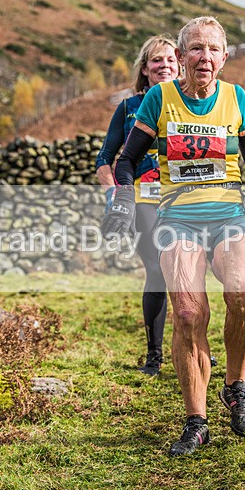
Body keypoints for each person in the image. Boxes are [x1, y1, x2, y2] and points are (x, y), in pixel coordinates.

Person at [102, 16, 245, 456]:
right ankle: (197, 421)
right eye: (194, 49)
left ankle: (236, 387)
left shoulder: (237, 99)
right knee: (189, 314)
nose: (203, 57)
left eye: (212, 49)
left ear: (224, 58)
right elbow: (127, 160)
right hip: (179, 218)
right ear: (182, 55)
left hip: (229, 214)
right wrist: (122, 198)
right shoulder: (159, 98)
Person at [95, 35, 179, 375]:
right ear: (144, 69)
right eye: (157, 61)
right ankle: (154, 356)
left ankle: (191, 345)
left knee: (188, 273)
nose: (164, 66)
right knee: (158, 270)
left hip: (184, 198)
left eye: (171, 60)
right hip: (143, 196)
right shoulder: (129, 108)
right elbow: (105, 160)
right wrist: (116, 198)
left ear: (181, 65)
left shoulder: (191, 104)